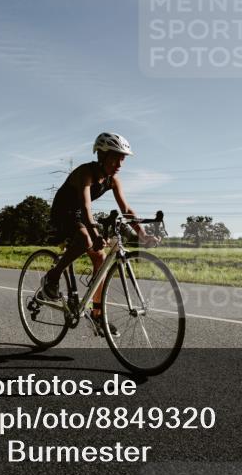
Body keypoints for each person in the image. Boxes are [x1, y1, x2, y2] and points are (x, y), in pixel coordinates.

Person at [43, 132, 158, 336]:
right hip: (63, 213)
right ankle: (52, 276)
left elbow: (127, 210)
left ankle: (97, 315)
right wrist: (95, 233)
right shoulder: (84, 173)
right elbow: (86, 207)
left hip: (79, 215)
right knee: (87, 239)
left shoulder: (113, 180)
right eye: (116, 158)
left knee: (101, 258)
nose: (120, 164)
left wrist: (143, 235)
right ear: (102, 156)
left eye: (122, 159)